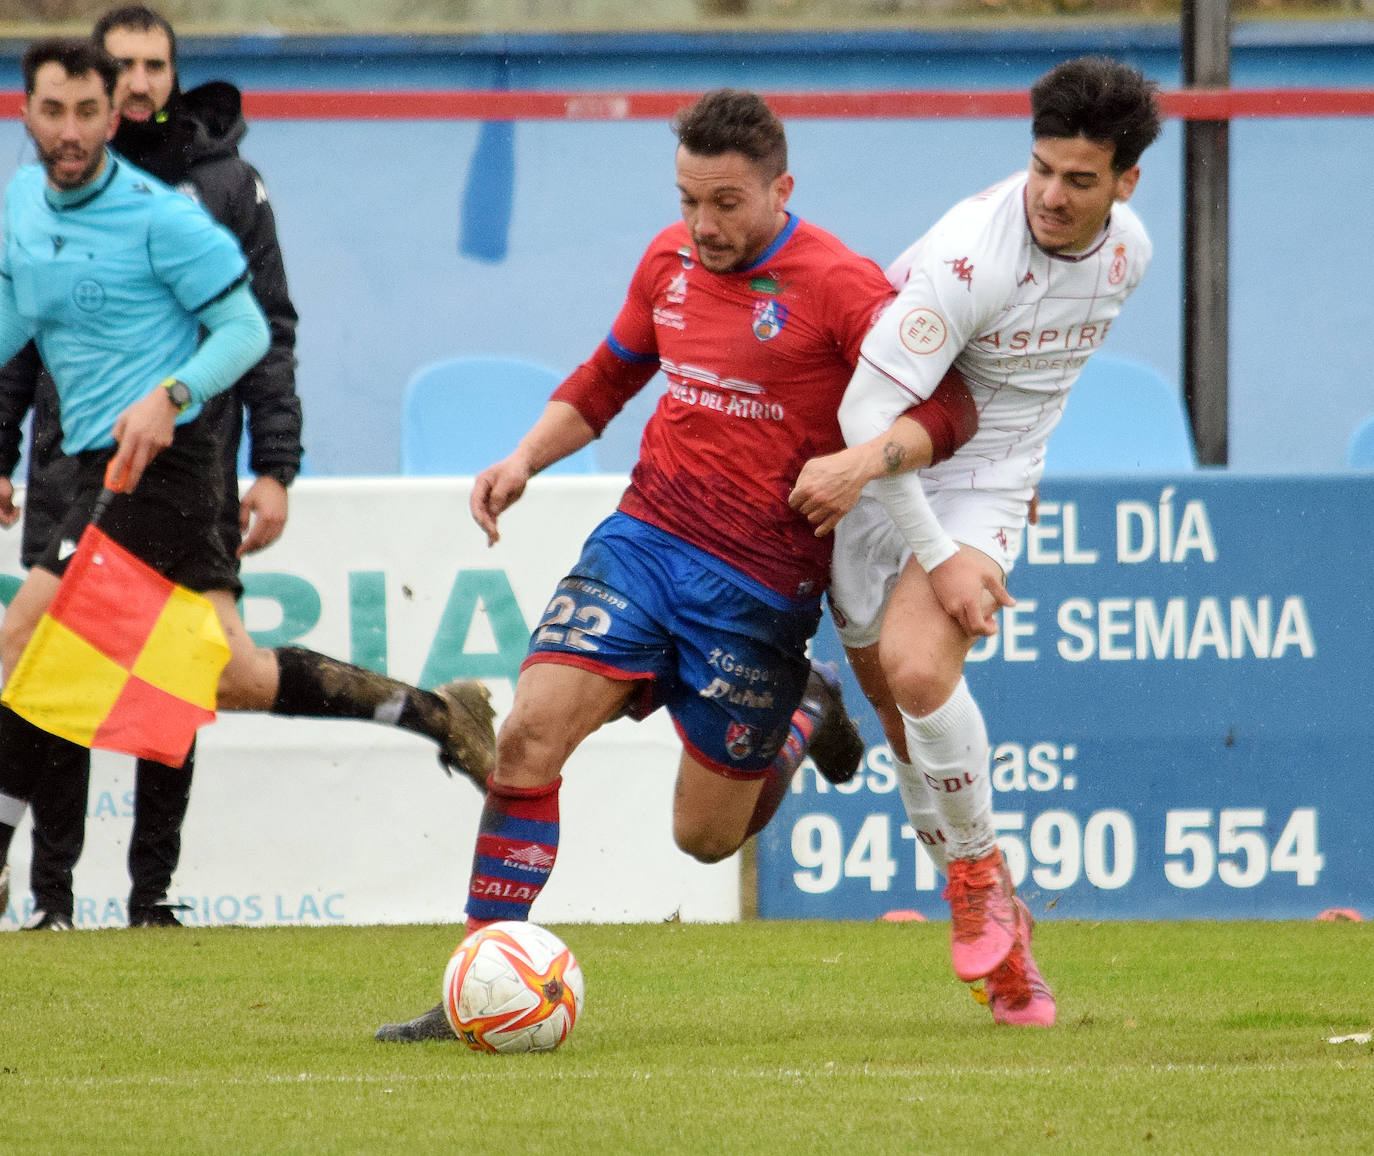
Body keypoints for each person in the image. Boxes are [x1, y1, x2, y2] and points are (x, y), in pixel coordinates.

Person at [374, 87, 978, 1041]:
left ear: (783, 188)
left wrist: (863, 461)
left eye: (726, 204)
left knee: (702, 840)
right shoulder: (669, 261)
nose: (702, 225)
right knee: (528, 737)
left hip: (759, 590)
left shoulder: (843, 289)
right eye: (688, 199)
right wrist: (524, 457)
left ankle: (801, 712)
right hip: (647, 541)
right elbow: (613, 372)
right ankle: (478, 987)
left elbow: (951, 410)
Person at [0, 38, 497, 929]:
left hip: (172, 461)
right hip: (89, 466)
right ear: (25, 113)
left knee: (27, 636)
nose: (70, 131)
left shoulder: (167, 217)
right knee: (225, 673)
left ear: (112, 115)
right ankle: (432, 712)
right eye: (52, 111)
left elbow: (249, 330)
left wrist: (178, 396)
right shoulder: (26, 212)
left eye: (87, 112)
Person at [789, 56, 1163, 1027]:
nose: (1051, 194)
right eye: (1041, 168)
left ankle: (982, 882)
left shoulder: (1132, 255)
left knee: (919, 671)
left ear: (1126, 182)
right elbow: (869, 405)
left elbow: (1029, 400)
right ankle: (999, 935)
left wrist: (975, 535)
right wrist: (934, 549)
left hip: (986, 483)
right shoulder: (974, 254)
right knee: (902, 720)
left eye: (1081, 179)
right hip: (878, 464)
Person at [0, 4, 303, 931]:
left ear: (172, 76)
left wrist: (276, 465)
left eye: (154, 66)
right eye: (120, 67)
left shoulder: (225, 185)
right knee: (56, 665)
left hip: (190, 473)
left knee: (175, 673)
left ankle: (152, 895)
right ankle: (52, 898)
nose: (138, 83)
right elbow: (20, 343)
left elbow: (267, 331)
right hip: (70, 465)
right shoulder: (42, 193)